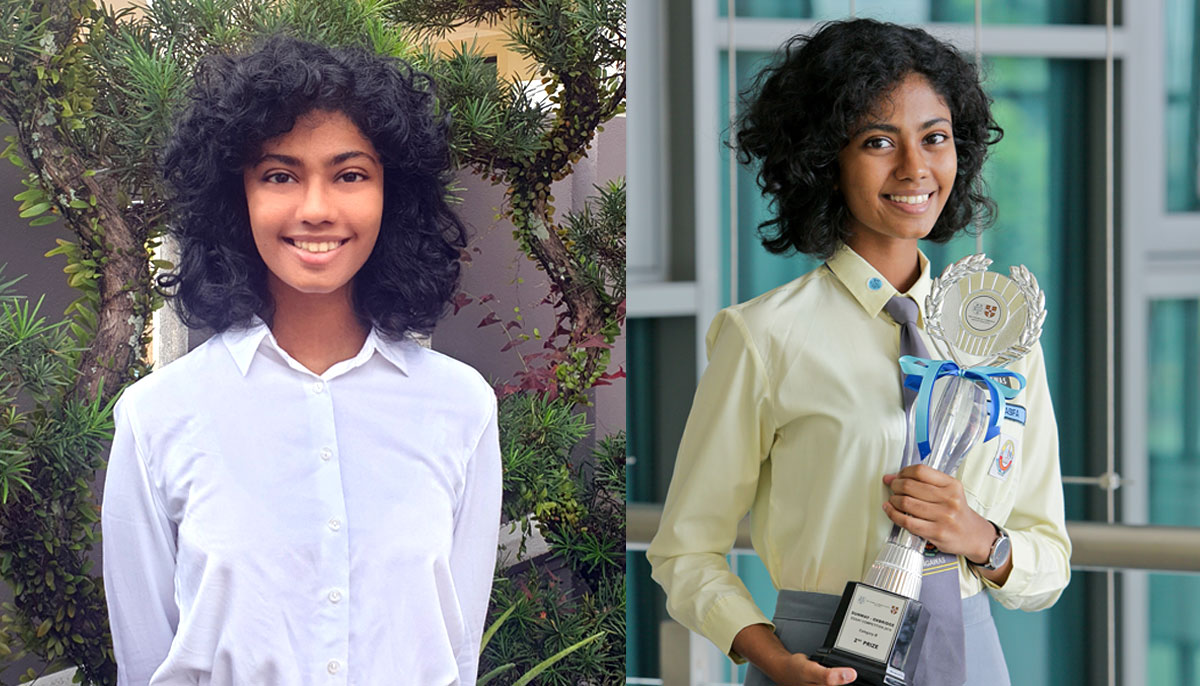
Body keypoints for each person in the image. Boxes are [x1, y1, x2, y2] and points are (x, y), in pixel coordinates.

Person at [646, 18, 1070, 686]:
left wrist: (981, 540)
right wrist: (769, 656)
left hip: (973, 655)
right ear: (824, 158)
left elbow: (1047, 561)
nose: (915, 168)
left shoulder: (1004, 339)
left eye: (935, 138)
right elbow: (685, 553)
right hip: (815, 663)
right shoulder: (763, 337)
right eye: (878, 141)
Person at [101, 35, 501, 685]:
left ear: (390, 195)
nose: (316, 209)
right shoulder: (156, 419)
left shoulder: (460, 407)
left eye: (350, 174)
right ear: (238, 197)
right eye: (280, 175)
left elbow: (454, 654)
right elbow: (145, 662)